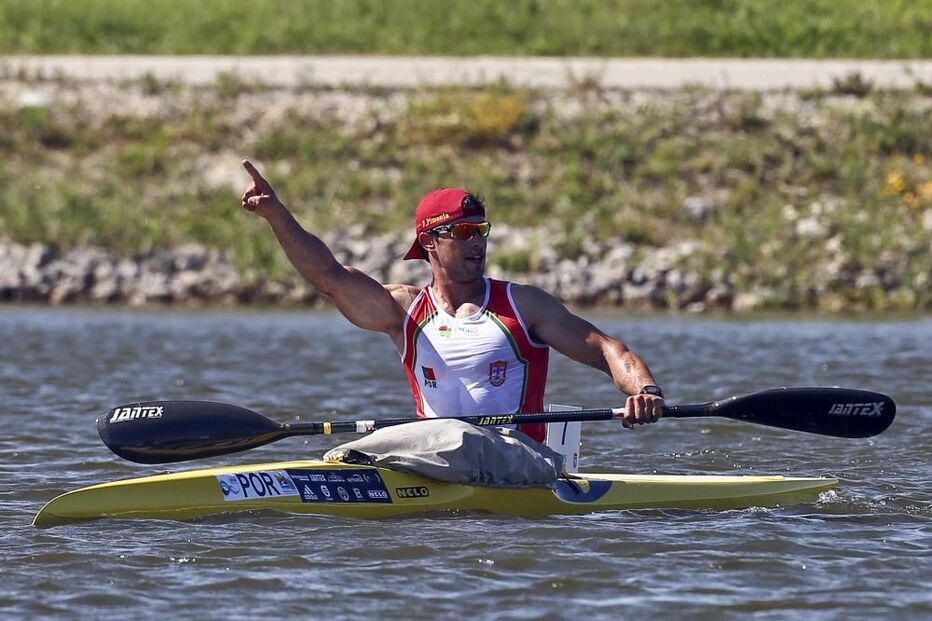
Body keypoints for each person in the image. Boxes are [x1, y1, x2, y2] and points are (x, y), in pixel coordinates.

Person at [240, 159, 663, 443]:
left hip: (520, 457)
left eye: (482, 230)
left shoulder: (524, 306)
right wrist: (277, 216)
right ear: (428, 243)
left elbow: (608, 350)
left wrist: (644, 391)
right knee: (361, 451)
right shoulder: (401, 310)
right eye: (462, 233)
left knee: (443, 443)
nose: (476, 242)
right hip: (437, 451)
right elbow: (329, 277)